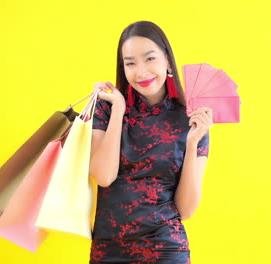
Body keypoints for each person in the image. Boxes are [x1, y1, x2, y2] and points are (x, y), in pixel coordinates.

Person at [88, 20, 212, 264]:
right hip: (109, 249)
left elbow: (186, 210)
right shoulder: (107, 106)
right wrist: (119, 110)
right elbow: (104, 176)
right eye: (130, 63)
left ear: (167, 59)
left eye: (150, 59)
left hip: (165, 248)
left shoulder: (192, 117)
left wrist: (191, 144)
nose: (141, 72)